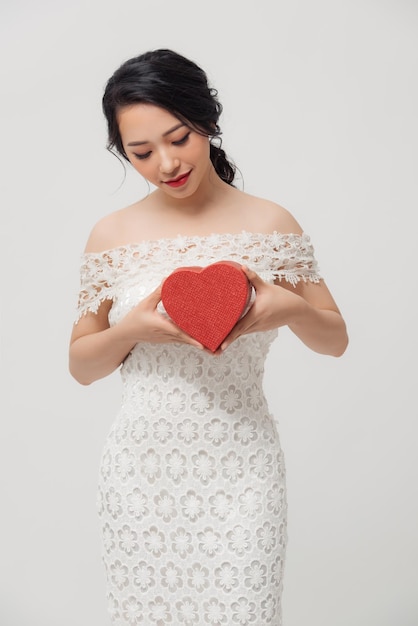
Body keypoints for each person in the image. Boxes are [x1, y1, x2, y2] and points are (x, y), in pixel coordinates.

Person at [69, 48, 348, 626]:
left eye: (179, 139)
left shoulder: (271, 224)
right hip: (141, 478)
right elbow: (82, 365)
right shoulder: (112, 235)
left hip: (244, 471)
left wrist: (288, 307)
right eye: (142, 153)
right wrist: (132, 330)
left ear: (207, 122)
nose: (166, 163)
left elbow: (335, 340)